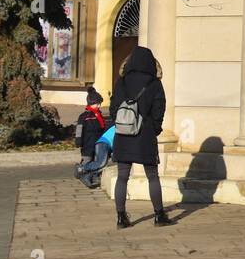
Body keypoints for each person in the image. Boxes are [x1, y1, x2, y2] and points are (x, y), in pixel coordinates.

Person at [109, 46, 173, 229]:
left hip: (123, 135)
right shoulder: (154, 84)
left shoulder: (121, 82)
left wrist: (121, 124)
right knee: (152, 176)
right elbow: (159, 109)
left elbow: (113, 108)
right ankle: (159, 215)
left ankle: (121, 218)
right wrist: (154, 129)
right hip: (145, 135)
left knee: (122, 177)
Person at [74, 87, 108, 175]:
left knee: (97, 159)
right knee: (87, 159)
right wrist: (78, 141)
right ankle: (81, 170)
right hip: (87, 142)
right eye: (97, 104)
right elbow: (79, 129)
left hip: (98, 141)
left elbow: (102, 127)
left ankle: (92, 174)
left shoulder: (99, 115)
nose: (99, 106)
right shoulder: (84, 116)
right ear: (91, 103)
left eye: (100, 103)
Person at [77, 124, 115, 189]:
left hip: (104, 144)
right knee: (101, 163)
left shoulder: (120, 125)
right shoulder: (121, 127)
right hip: (103, 143)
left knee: (101, 165)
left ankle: (88, 176)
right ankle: (82, 168)